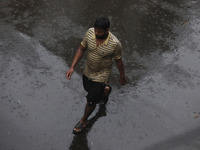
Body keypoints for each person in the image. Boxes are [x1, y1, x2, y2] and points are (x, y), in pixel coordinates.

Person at [66, 17, 126, 134]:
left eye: (100, 31)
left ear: (107, 30)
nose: (97, 33)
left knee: (91, 100)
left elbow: (119, 62)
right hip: (88, 72)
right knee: (88, 90)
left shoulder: (115, 44)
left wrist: (122, 76)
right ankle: (105, 90)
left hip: (101, 76)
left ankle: (84, 120)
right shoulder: (90, 32)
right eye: (96, 31)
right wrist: (72, 67)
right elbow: (81, 49)